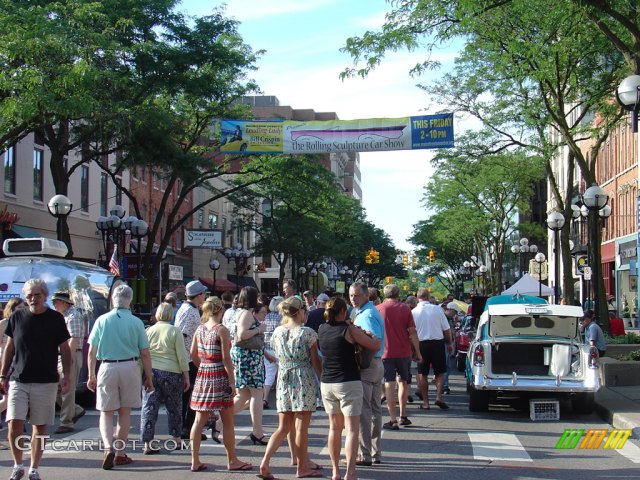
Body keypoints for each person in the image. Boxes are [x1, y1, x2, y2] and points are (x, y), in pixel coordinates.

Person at [0, 279, 71, 480]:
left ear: (45, 296)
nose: (33, 298)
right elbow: (10, 347)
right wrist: (3, 375)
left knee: (39, 427)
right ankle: (17, 465)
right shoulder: (17, 317)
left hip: (46, 381)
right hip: (18, 379)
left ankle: (34, 468)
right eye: (29, 295)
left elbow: (65, 349)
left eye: (37, 295)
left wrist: (67, 375)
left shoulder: (55, 319)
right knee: (14, 423)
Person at [87, 284, 153, 470]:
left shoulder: (102, 320)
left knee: (106, 412)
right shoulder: (136, 322)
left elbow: (92, 351)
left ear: (113, 299)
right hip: (130, 365)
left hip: (107, 366)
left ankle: (108, 446)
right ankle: (120, 453)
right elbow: (145, 353)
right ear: (130, 300)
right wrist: (149, 376)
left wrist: (91, 374)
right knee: (125, 412)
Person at [257, 295, 323, 480]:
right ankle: (302, 467)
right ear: (299, 311)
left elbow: (277, 354)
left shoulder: (278, 331)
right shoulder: (307, 333)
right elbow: (315, 361)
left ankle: (265, 462)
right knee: (302, 427)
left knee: (283, 427)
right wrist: (323, 380)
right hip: (303, 378)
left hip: (284, 378)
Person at [318, 297, 380, 480]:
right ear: (344, 312)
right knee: (352, 429)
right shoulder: (349, 329)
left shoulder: (321, 329)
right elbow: (374, 346)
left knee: (334, 429)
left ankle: (335, 471)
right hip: (348, 382)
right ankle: (350, 473)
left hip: (327, 382)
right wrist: (372, 335)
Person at [190, 296, 251, 472]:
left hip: (204, 373)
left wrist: (202, 366)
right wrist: (232, 380)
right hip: (219, 374)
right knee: (227, 420)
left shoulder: (200, 328)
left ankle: (195, 460)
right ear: (220, 310)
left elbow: (193, 353)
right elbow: (226, 358)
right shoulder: (221, 330)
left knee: (199, 420)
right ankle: (232, 460)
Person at [140, 302, 190, 454]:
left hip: (152, 371)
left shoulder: (148, 331)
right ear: (172, 315)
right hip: (172, 372)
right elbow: (182, 356)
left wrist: (142, 372)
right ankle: (176, 439)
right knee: (174, 407)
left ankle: (147, 442)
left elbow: (143, 353)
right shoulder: (175, 331)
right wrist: (186, 375)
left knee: (149, 406)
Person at [349, 281, 384, 466]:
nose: (353, 299)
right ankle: (375, 453)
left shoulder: (368, 314)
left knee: (366, 411)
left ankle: (365, 454)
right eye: (351, 295)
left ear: (366, 296)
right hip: (376, 364)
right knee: (374, 410)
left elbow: (375, 340)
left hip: (369, 365)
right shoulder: (364, 312)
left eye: (356, 295)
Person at [377, 284, 421, 430]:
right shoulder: (405, 309)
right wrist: (418, 352)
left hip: (385, 352)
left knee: (389, 384)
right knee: (404, 382)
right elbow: (412, 332)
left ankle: (393, 419)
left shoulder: (379, 309)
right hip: (403, 352)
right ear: (398, 294)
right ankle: (403, 415)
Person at [232, 286, 268, 444]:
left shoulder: (242, 313)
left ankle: (219, 422)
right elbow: (242, 334)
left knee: (244, 395)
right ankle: (257, 431)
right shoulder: (246, 314)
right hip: (249, 358)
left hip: (246, 358)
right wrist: (259, 329)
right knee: (256, 394)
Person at [175, 280, 208, 440]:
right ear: (199, 295)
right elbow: (182, 335)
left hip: (189, 358)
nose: (205, 296)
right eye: (203, 293)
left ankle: (188, 427)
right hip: (189, 359)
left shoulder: (189, 309)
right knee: (193, 395)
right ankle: (187, 428)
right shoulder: (190, 311)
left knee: (191, 395)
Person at [412, 288, 453, 411]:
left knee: (422, 373)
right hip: (437, 343)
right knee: (439, 372)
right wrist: (449, 343)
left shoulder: (413, 312)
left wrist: (413, 349)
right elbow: (447, 330)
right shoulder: (437, 309)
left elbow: (411, 332)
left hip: (421, 344)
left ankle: (425, 402)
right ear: (428, 297)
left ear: (417, 298)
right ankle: (438, 397)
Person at [52, 291, 86, 434]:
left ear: (64, 302)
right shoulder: (65, 316)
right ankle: (75, 410)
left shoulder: (74, 316)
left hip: (70, 355)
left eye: (56, 302)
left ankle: (66, 422)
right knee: (58, 388)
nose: (54, 305)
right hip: (63, 355)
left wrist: (67, 359)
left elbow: (74, 339)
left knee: (66, 389)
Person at [0, 297, 24, 451]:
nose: (22, 309)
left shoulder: (22, 323)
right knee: (7, 399)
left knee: (9, 400)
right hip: (4, 364)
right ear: (12, 308)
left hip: (16, 365)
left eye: (23, 307)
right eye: (19, 307)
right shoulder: (4, 323)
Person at [263, 296, 284, 409]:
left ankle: (265, 398)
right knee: (282, 374)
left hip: (267, 349)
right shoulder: (283, 317)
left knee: (269, 375)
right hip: (279, 349)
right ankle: (281, 398)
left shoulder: (266, 317)